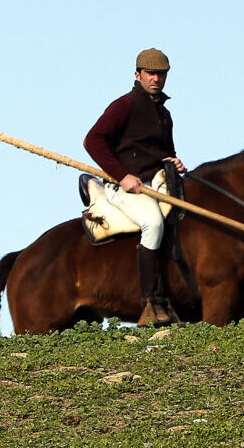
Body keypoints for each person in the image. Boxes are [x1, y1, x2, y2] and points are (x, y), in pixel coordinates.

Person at [84, 48, 187, 327]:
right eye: (151, 73)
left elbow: (165, 152)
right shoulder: (124, 105)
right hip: (125, 187)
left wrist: (174, 163)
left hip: (155, 182)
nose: (156, 78)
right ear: (137, 74)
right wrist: (121, 176)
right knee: (153, 223)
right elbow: (92, 141)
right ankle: (151, 302)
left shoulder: (165, 114)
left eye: (161, 74)